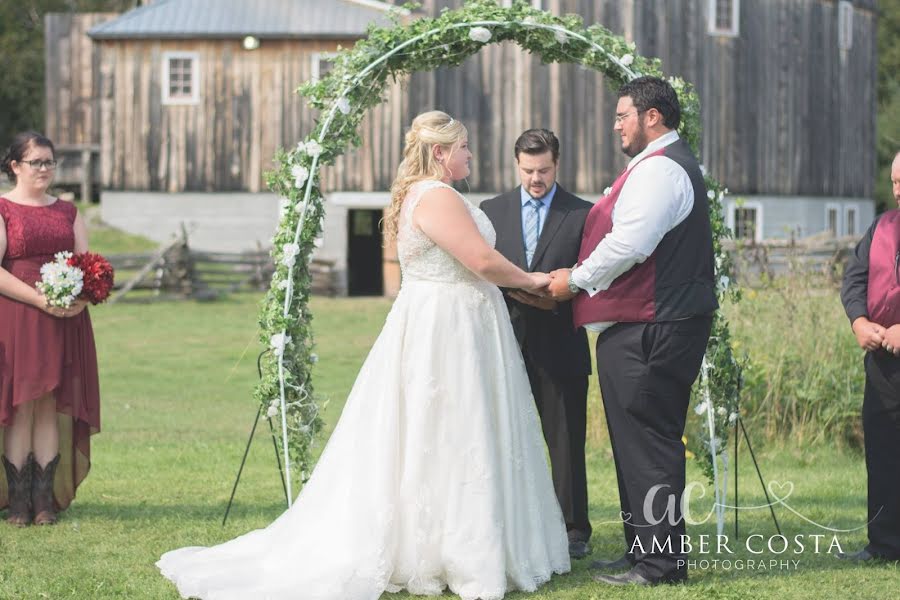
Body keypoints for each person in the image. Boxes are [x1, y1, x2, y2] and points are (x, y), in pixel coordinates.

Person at [157, 111, 570, 600]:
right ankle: (450, 549)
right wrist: (534, 280)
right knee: (451, 426)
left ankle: (450, 540)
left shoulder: (425, 194)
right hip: (448, 327)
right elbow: (479, 260)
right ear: (440, 153)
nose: (469, 155)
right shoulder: (435, 196)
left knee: (449, 429)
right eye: (462, 147)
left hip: (454, 318)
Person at [547, 76, 718, 586]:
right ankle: (642, 549)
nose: (616, 124)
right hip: (645, 321)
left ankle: (662, 564)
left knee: (649, 440)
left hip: (657, 324)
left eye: (623, 114)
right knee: (633, 440)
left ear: (653, 117)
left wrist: (575, 280)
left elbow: (630, 244)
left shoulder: (662, 170)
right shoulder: (655, 166)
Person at [480, 129, 593, 559]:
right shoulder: (491, 212)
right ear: (516, 165)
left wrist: (558, 301)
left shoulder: (583, 214)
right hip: (504, 343)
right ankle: (511, 522)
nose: (536, 178)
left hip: (561, 341)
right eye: (528, 170)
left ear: (557, 164)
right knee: (502, 436)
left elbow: (594, 278)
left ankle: (573, 530)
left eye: (544, 170)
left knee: (565, 440)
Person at [0, 131, 101, 526]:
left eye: (49, 162)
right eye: (36, 162)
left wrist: (83, 297)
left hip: (65, 319)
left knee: (49, 405)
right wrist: (41, 299)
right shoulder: (3, 208)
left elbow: (88, 264)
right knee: (22, 405)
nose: (44, 169)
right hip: (18, 316)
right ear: (15, 166)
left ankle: (43, 503)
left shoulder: (68, 211)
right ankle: (18, 502)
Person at [837, 150, 900, 563]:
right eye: (894, 182)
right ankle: (884, 543)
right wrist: (859, 321)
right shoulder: (881, 226)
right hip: (884, 364)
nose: (898, 190)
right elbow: (854, 278)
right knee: (882, 453)